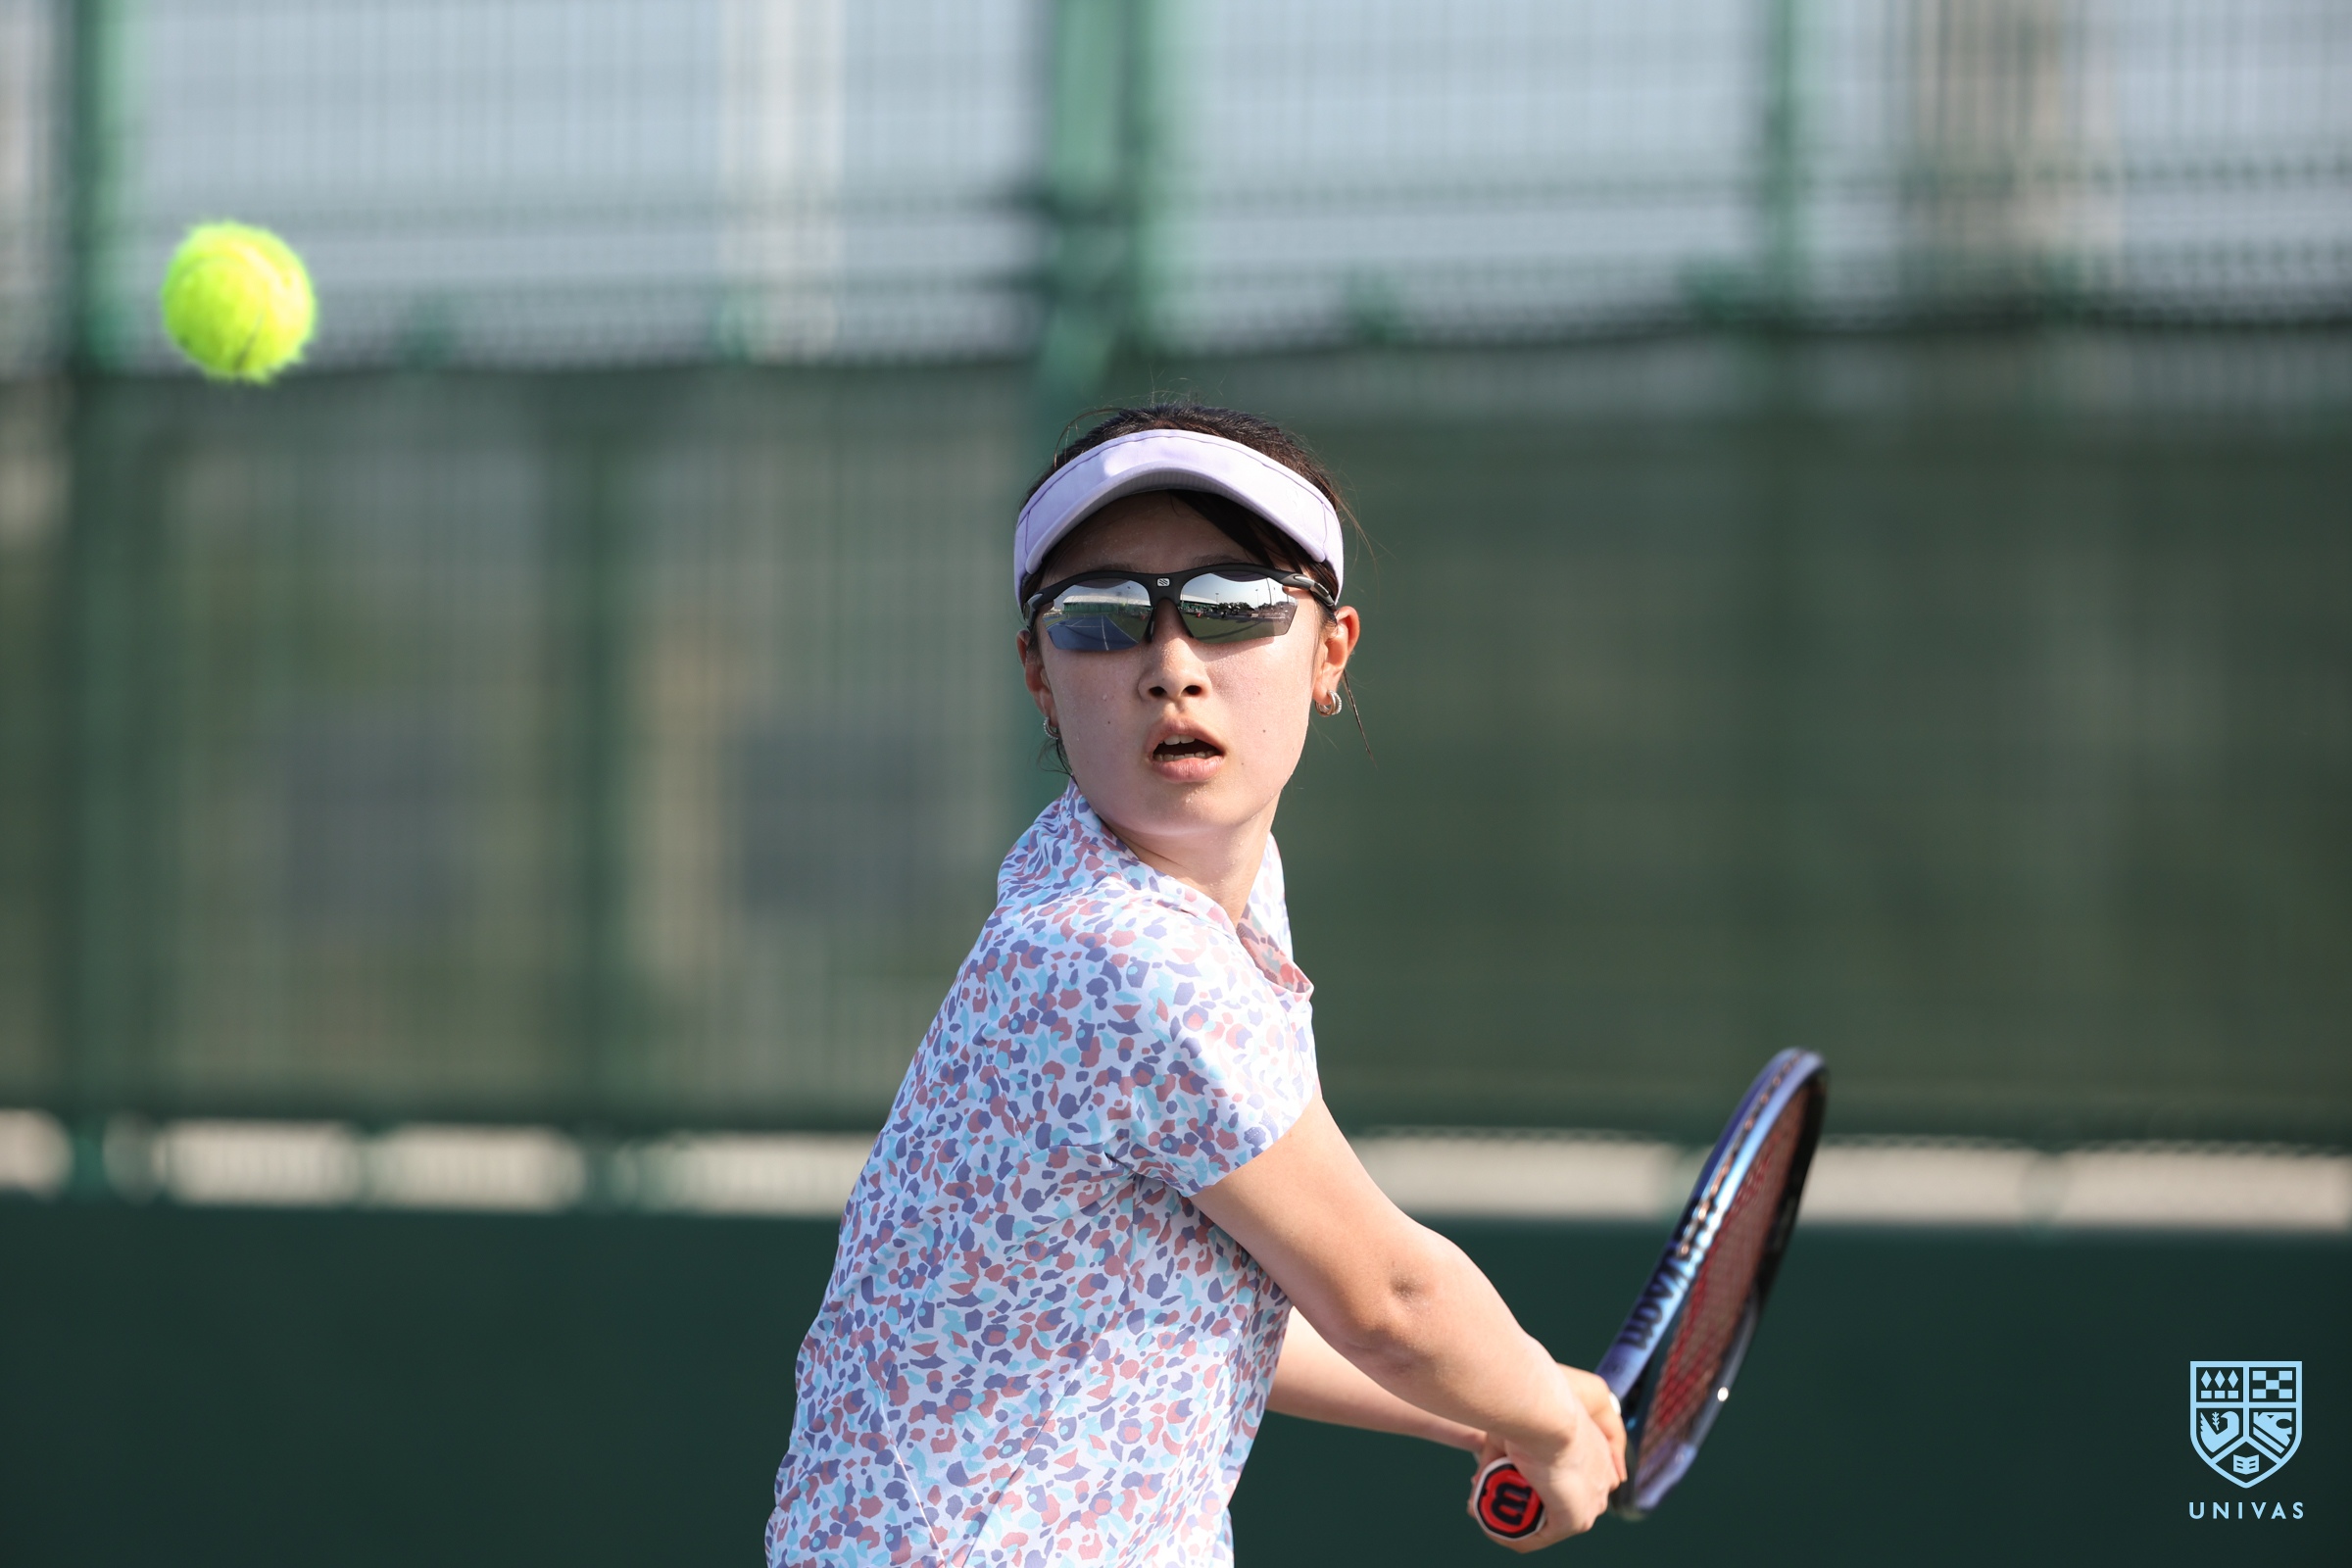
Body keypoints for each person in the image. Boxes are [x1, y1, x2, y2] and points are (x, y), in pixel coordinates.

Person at [767, 406, 1626, 1567]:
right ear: (1039, 674)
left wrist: (1493, 1408)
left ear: (1330, 653)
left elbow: (1206, 1307)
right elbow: (1390, 1298)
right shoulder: (1123, 952)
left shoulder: (1183, 897)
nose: (1170, 666)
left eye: (1234, 605)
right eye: (1100, 617)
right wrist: (1543, 1417)